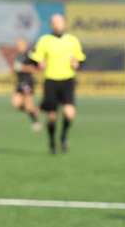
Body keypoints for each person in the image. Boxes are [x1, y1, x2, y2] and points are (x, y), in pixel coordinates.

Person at [31, 14, 85, 155]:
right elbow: (37, 60)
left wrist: (76, 64)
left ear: (64, 23)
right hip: (51, 81)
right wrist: (40, 64)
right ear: (51, 25)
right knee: (52, 117)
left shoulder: (72, 41)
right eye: (55, 23)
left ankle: (63, 136)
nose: (58, 25)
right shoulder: (44, 41)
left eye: (60, 22)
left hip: (68, 81)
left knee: (69, 114)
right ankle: (52, 143)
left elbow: (79, 60)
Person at [10, 36, 40, 131]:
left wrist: (23, 68)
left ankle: (35, 122)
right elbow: (16, 69)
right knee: (15, 103)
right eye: (17, 43)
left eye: (20, 43)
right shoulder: (17, 55)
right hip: (20, 82)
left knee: (28, 105)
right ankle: (32, 111)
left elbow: (36, 68)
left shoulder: (29, 54)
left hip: (28, 82)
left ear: (25, 44)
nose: (18, 45)